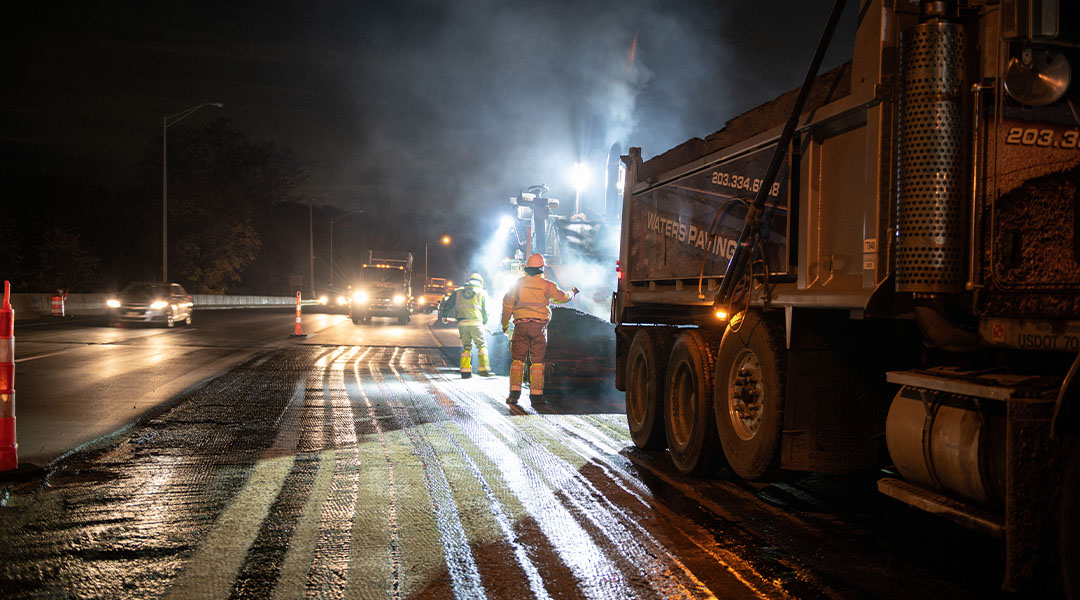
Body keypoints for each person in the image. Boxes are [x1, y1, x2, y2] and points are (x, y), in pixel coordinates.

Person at [500, 253, 578, 404]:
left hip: (521, 325)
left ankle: (514, 395)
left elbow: (507, 304)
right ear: (542, 269)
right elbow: (562, 297)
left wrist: (504, 324)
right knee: (537, 362)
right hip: (539, 327)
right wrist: (573, 293)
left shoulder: (517, 284)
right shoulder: (548, 285)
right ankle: (536, 396)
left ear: (527, 268)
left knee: (517, 361)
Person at [439, 273, 493, 378]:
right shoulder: (482, 292)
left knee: (466, 347)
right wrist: (485, 323)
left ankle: (465, 371)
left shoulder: (458, 291)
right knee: (482, 346)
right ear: (480, 282)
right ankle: (484, 369)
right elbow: (485, 310)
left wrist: (444, 316)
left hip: (462, 323)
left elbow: (449, 304)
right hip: (476, 322)